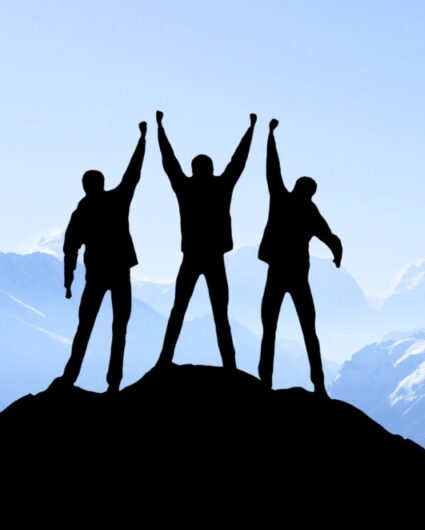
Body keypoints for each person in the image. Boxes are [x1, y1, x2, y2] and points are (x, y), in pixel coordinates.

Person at [51, 121, 147, 393]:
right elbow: (133, 173)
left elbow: (70, 249)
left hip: (96, 274)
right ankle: (113, 383)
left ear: (85, 186)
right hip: (119, 272)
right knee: (119, 328)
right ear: (101, 184)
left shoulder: (82, 211)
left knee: (86, 327)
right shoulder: (117, 200)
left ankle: (71, 376)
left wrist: (68, 281)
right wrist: (143, 140)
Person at [155, 110, 255, 370]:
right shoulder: (222, 186)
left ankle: (164, 359)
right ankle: (229, 365)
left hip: (191, 256)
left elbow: (169, 161)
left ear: (194, 169)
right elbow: (238, 161)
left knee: (179, 309)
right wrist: (251, 129)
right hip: (214, 258)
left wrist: (160, 129)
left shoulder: (185, 187)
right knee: (220, 314)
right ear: (210, 169)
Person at [258, 119, 342, 397]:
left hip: (277, 273)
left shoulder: (282, 199)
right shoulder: (310, 211)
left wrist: (270, 136)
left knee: (269, 328)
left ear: (297, 187)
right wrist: (337, 256)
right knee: (309, 331)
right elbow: (331, 238)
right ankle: (318, 385)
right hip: (298, 276)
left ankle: (265, 383)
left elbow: (272, 168)